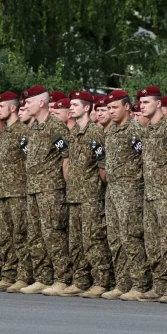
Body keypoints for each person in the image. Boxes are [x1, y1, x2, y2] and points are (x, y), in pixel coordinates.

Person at [53, 90, 111, 298]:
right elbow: (66, 158)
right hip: (74, 193)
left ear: (87, 108)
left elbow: (103, 164)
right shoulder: (72, 133)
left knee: (93, 239)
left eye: (75, 105)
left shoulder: (95, 133)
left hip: (90, 195)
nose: (71, 108)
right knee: (75, 241)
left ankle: (102, 281)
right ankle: (80, 280)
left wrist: (95, 185)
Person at [20, 85, 70, 295]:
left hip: (51, 190)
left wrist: (65, 185)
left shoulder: (55, 127)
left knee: (53, 234)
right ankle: (43, 276)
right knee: (36, 234)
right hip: (34, 189)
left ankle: (62, 278)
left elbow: (66, 158)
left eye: (29, 102)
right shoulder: (36, 128)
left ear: (41, 103)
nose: (25, 105)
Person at [102, 90, 151, 301]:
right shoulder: (111, 131)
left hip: (130, 191)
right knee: (115, 239)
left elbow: (144, 158)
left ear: (127, 108)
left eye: (115, 107)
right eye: (109, 108)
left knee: (131, 238)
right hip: (112, 191)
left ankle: (140, 284)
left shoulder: (135, 131)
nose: (111, 111)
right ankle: (122, 283)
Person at [139, 86, 167, 301]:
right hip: (150, 194)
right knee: (152, 242)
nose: (142, 106)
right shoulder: (146, 130)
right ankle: (159, 284)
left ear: (158, 104)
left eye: (146, 102)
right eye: (141, 103)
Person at [0, 92, 32, 293]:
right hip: (4, 192)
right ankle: (9, 274)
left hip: (19, 192)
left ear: (13, 108)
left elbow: (30, 162)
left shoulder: (23, 133)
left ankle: (24, 276)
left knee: (20, 234)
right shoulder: (4, 133)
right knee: (5, 236)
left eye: (1, 106)